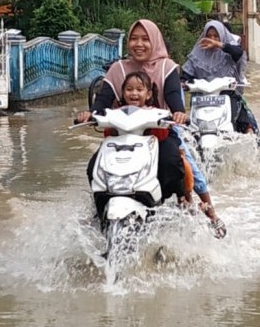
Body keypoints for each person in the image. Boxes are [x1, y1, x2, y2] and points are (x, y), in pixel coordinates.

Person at [77, 19, 226, 239]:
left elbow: (175, 99)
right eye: (134, 39)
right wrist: (90, 114)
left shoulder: (167, 68)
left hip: (160, 133)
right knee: (94, 167)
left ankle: (206, 210)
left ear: (154, 41)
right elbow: (103, 101)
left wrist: (178, 112)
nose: (139, 44)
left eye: (145, 39)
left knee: (179, 165)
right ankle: (99, 212)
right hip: (122, 136)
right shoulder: (118, 70)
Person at [105, 71, 195, 200]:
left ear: (148, 94)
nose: (134, 93)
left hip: (150, 150)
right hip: (123, 151)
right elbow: (108, 134)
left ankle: (179, 197)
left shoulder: (156, 113)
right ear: (123, 93)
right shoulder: (116, 113)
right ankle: (100, 198)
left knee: (172, 162)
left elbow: (162, 135)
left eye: (139, 89)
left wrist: (158, 123)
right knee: (94, 166)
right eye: (129, 89)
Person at [181, 20, 259, 134]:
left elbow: (239, 53)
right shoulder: (196, 55)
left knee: (246, 124)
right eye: (208, 36)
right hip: (201, 98)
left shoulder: (229, 52)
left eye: (216, 36)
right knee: (188, 128)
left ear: (222, 37)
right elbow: (186, 74)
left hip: (227, 95)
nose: (211, 39)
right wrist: (182, 82)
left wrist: (219, 45)